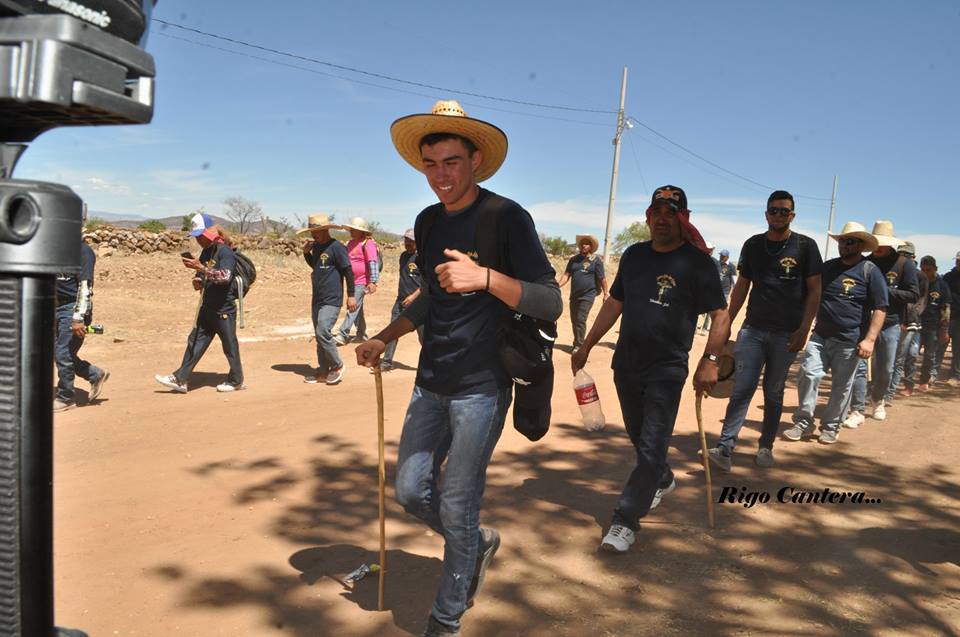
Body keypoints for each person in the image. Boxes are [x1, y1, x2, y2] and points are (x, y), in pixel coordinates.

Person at [355, 99, 561, 637]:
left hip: (481, 389)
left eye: (451, 161)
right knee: (410, 492)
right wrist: (384, 336)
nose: (440, 175)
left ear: (475, 161)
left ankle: (445, 618)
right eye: (431, 164)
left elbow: (550, 301)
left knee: (457, 500)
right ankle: (477, 542)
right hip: (430, 383)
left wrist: (486, 278)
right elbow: (432, 296)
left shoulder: (506, 217)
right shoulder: (427, 221)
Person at [572, 185, 729, 553]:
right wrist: (587, 344)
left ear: (682, 218)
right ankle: (662, 477)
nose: (662, 218)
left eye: (670, 212)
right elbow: (615, 303)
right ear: (648, 216)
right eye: (656, 211)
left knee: (652, 443)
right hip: (626, 364)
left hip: (667, 368)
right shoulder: (634, 255)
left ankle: (625, 520)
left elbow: (720, 316)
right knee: (640, 438)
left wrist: (710, 361)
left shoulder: (698, 263)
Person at [704, 190, 823, 470]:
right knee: (742, 388)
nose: (778, 215)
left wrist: (804, 329)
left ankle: (766, 446)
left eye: (784, 211)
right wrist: (726, 323)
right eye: (774, 210)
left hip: (787, 334)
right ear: (766, 214)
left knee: (773, 391)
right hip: (753, 330)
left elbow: (815, 291)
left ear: (792, 215)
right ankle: (724, 448)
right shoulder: (753, 245)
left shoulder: (806, 246)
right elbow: (741, 287)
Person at [782, 222, 887, 444]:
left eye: (850, 242)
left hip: (849, 341)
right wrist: (802, 327)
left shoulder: (870, 271)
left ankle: (831, 427)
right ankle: (803, 423)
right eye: (841, 241)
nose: (844, 245)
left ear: (861, 245)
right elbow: (811, 296)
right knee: (808, 374)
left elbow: (880, 308)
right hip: (820, 336)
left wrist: (869, 340)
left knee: (841, 387)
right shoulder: (827, 268)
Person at [154, 213, 245, 393]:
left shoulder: (225, 252)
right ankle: (181, 379)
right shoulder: (206, 252)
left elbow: (225, 277)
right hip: (207, 307)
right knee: (194, 341)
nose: (198, 240)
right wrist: (198, 280)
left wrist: (201, 268)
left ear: (209, 234)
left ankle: (236, 380)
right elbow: (204, 275)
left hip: (223, 309)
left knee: (229, 346)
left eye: (200, 236)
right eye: (196, 237)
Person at [845, 220, 919, 425]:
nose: (878, 247)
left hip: (890, 323)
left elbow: (913, 294)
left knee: (886, 368)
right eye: (876, 242)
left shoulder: (904, 264)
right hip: (864, 322)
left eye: (882, 243)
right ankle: (857, 409)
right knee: (860, 366)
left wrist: (884, 292)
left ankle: (878, 400)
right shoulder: (865, 262)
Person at [298, 214, 356, 385]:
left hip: (332, 298)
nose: (312, 235)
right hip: (317, 297)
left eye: (315, 231)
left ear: (325, 230)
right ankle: (323, 371)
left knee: (323, 331)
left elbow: (348, 271)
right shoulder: (316, 247)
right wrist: (306, 254)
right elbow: (317, 266)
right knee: (319, 335)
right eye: (311, 232)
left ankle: (337, 365)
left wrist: (351, 295)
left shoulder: (337, 247)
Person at [54, 234, 109, 411]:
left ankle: (66, 397)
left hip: (72, 308)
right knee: (59, 352)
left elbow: (85, 286)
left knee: (63, 353)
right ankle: (94, 374)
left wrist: (78, 318)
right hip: (55, 306)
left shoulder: (83, 252)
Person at [380, 228, 423, 371]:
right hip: (400, 302)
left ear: (418, 242)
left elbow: (427, 283)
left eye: (411, 241)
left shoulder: (422, 258)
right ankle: (387, 362)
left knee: (424, 337)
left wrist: (413, 296)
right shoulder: (403, 256)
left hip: (418, 304)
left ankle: (433, 363)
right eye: (406, 240)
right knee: (393, 331)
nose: (407, 243)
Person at [556, 233, 608, 351]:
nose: (584, 245)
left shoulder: (596, 261)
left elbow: (602, 279)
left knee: (580, 319)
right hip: (574, 295)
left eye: (587, 244)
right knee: (574, 320)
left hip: (588, 295)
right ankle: (577, 342)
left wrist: (606, 293)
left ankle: (579, 346)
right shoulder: (574, 260)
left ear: (591, 246)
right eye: (582, 243)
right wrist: (557, 285)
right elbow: (566, 275)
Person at [334, 217, 379, 345]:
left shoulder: (368, 243)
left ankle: (342, 334)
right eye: (351, 229)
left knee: (352, 306)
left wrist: (373, 281)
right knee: (358, 308)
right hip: (351, 281)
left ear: (361, 231)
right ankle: (361, 335)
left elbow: (372, 262)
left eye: (354, 230)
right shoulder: (350, 243)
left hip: (362, 281)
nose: (351, 232)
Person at [892, 242, 926, 398]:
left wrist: (911, 316)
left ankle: (907, 384)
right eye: (900, 254)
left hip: (912, 322)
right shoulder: (895, 271)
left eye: (906, 255)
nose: (903, 258)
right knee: (896, 357)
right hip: (897, 319)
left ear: (913, 257)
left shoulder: (920, 276)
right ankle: (888, 390)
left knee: (910, 356)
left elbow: (921, 300)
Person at [914, 256, 951, 392]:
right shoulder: (917, 282)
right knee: (912, 354)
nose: (925, 272)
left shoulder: (942, 285)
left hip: (933, 326)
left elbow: (945, 308)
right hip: (916, 323)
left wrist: (944, 329)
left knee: (930, 355)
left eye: (928, 270)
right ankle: (908, 380)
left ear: (935, 269)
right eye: (923, 269)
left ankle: (924, 380)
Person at [936, 251, 960, 386]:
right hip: (947, 317)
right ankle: (933, 373)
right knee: (940, 345)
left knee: (958, 349)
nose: (958, 263)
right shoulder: (948, 277)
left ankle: (955, 375)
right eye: (957, 261)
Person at [697, 242, 720, 334]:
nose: (709, 251)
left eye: (710, 250)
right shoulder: (697, 259)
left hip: (709, 290)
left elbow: (717, 277)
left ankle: (704, 328)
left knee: (709, 311)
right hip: (698, 289)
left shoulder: (715, 262)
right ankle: (696, 328)